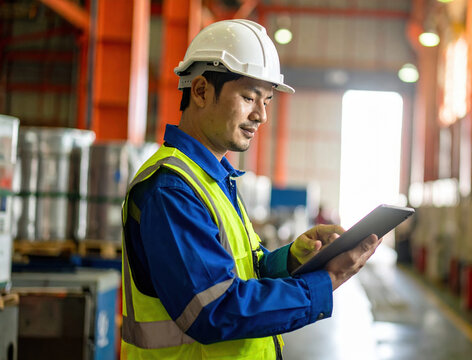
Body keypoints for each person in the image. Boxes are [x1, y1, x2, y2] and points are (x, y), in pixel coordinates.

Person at [120, 19, 382, 359]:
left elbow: (245, 272)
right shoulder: (171, 189)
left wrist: (291, 259)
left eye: (267, 101)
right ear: (200, 91)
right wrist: (323, 283)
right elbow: (213, 310)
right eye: (249, 97)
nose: (261, 115)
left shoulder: (212, 180)